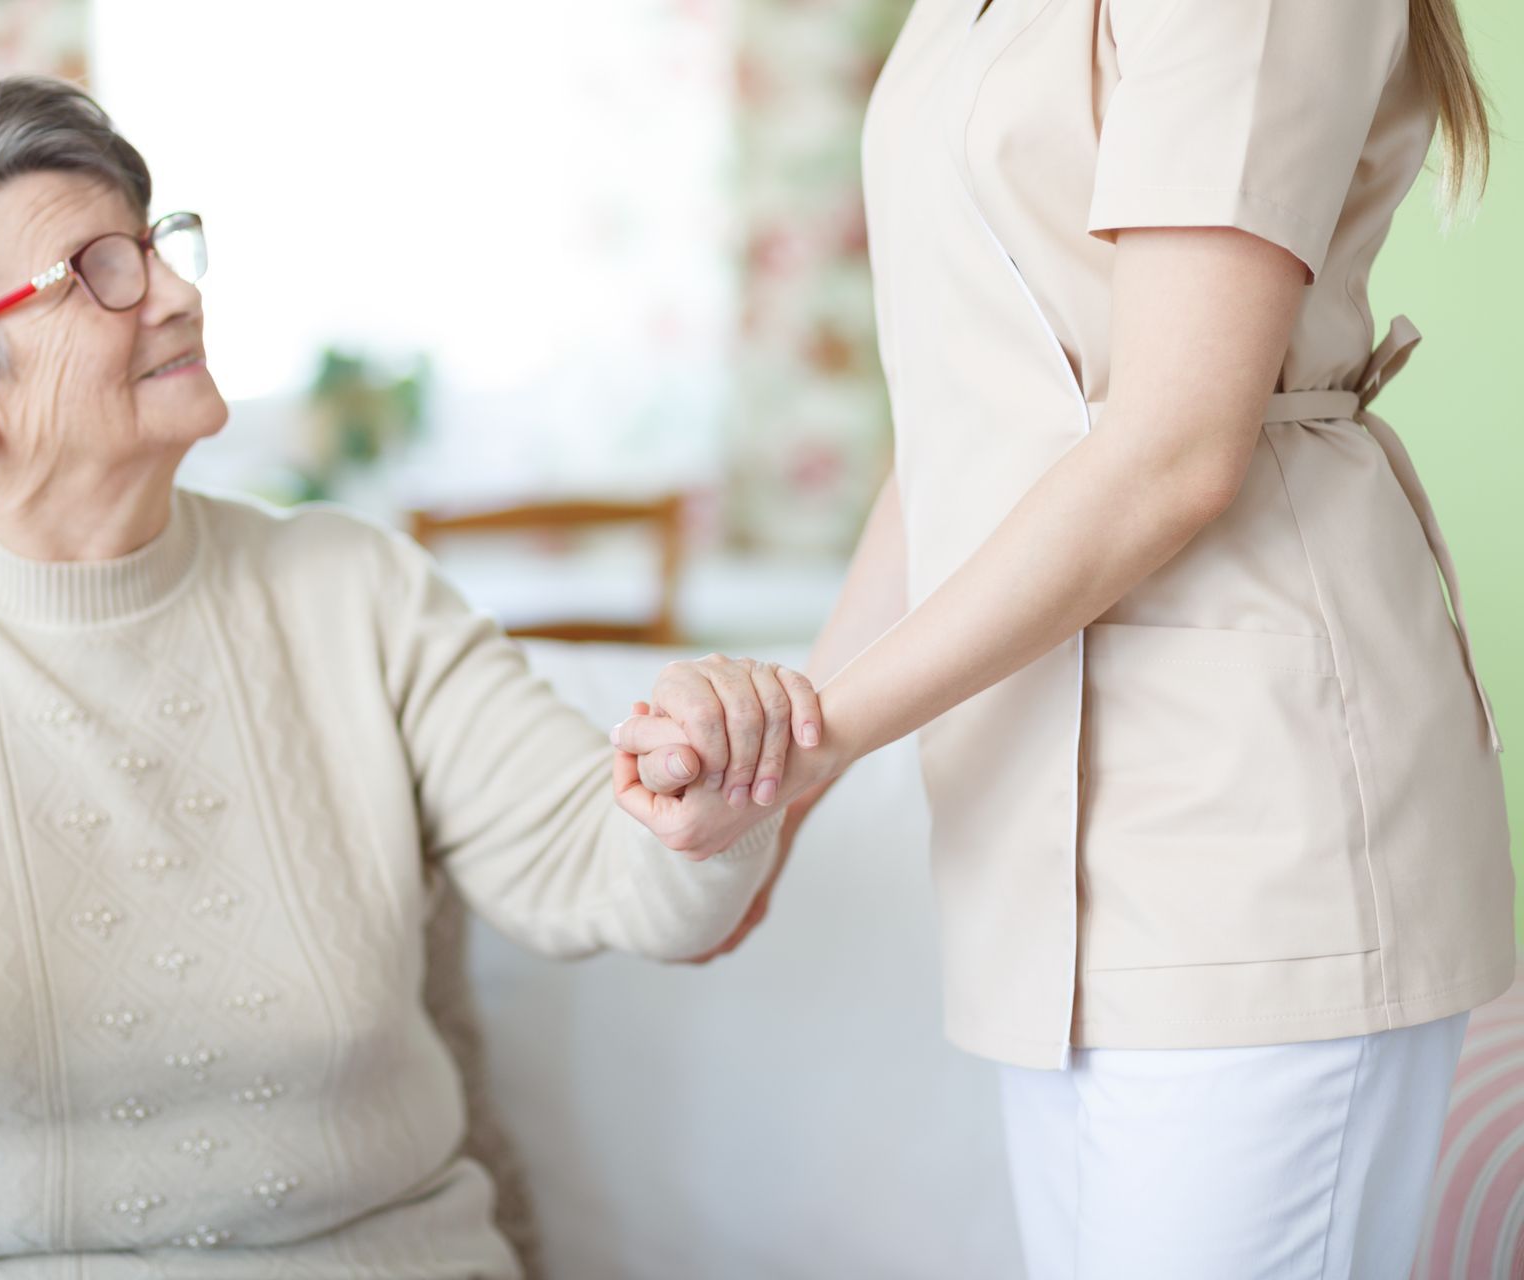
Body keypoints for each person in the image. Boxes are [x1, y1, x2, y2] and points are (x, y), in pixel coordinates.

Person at [0, 77, 812, 1279]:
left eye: (156, 245)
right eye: (98, 272)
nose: (178, 295)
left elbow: (608, 869)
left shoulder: (357, 589)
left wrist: (701, 792)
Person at [617, 0, 1513, 1273]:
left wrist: (821, 740)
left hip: (1249, 823)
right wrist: (788, 775)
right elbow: (960, 439)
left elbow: (1174, 449)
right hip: (1034, 846)